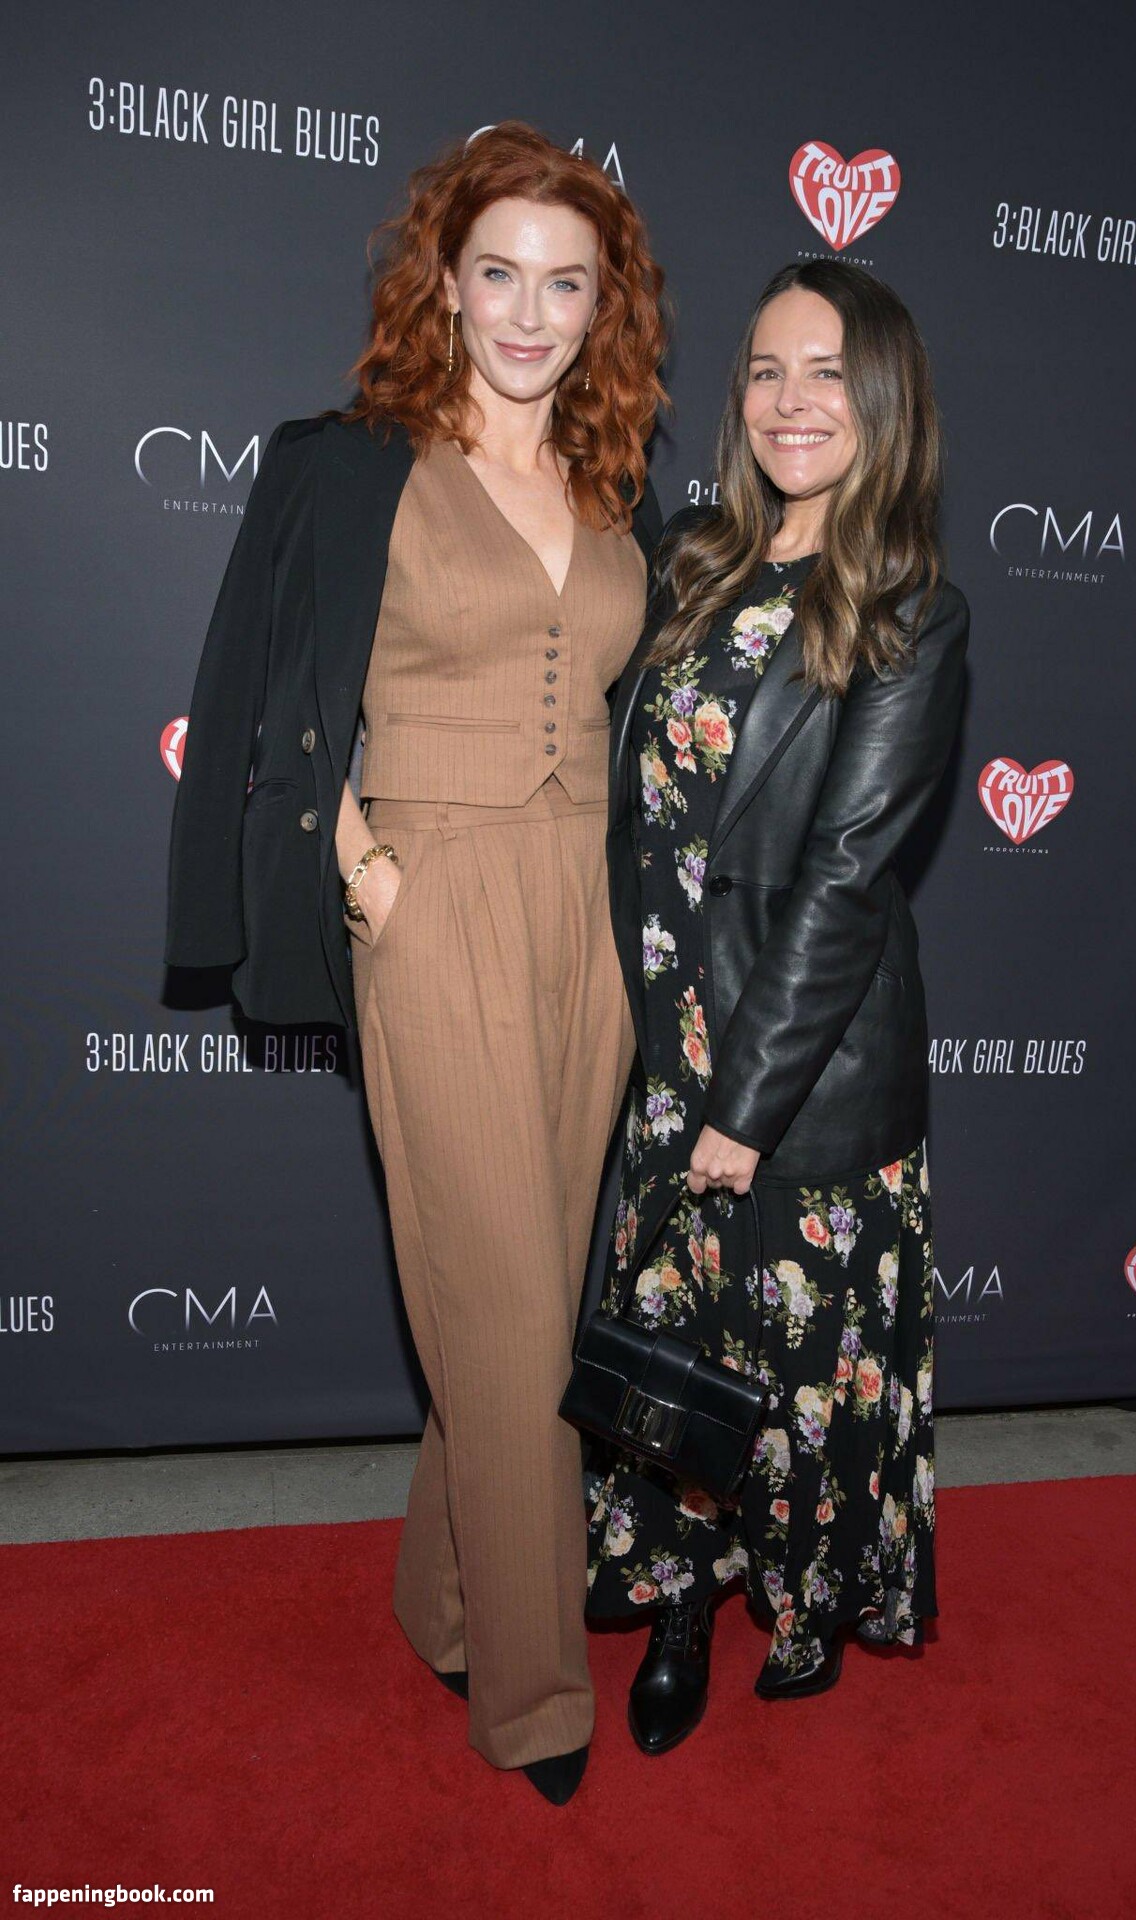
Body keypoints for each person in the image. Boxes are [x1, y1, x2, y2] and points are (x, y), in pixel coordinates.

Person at [164, 122, 667, 1803]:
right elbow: (258, 696)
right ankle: (532, 1697)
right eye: (498, 274)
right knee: (511, 1315)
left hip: (587, 918)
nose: (529, 312)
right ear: (443, 285)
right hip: (432, 897)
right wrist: (360, 870)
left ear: (602, 309)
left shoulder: (612, 484)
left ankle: (439, 1594)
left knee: (512, 1300)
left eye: (565, 285)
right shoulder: (348, 465)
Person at [585, 259, 968, 1756]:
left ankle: (795, 1600)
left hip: (793, 1070)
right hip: (661, 1041)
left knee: (788, 1363)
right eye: (763, 370)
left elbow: (846, 880)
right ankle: (680, 1593)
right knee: (679, 1349)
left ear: (882, 401)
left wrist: (740, 1110)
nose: (789, 402)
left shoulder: (908, 611)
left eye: (825, 373)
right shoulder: (691, 561)